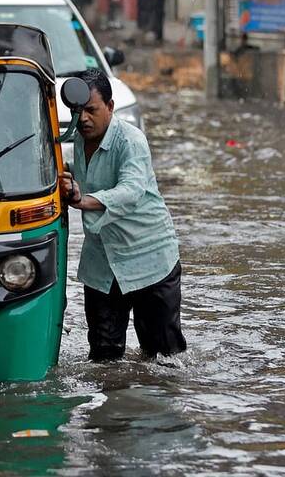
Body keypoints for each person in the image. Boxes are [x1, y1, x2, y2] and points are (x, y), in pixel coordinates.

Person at [59, 69, 186, 361]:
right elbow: (80, 178)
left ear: (111, 107)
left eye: (92, 110)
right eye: (78, 112)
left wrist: (83, 199)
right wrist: (68, 181)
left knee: (164, 357)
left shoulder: (131, 141)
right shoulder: (78, 139)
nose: (84, 119)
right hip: (103, 263)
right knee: (103, 357)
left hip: (148, 260)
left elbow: (131, 190)